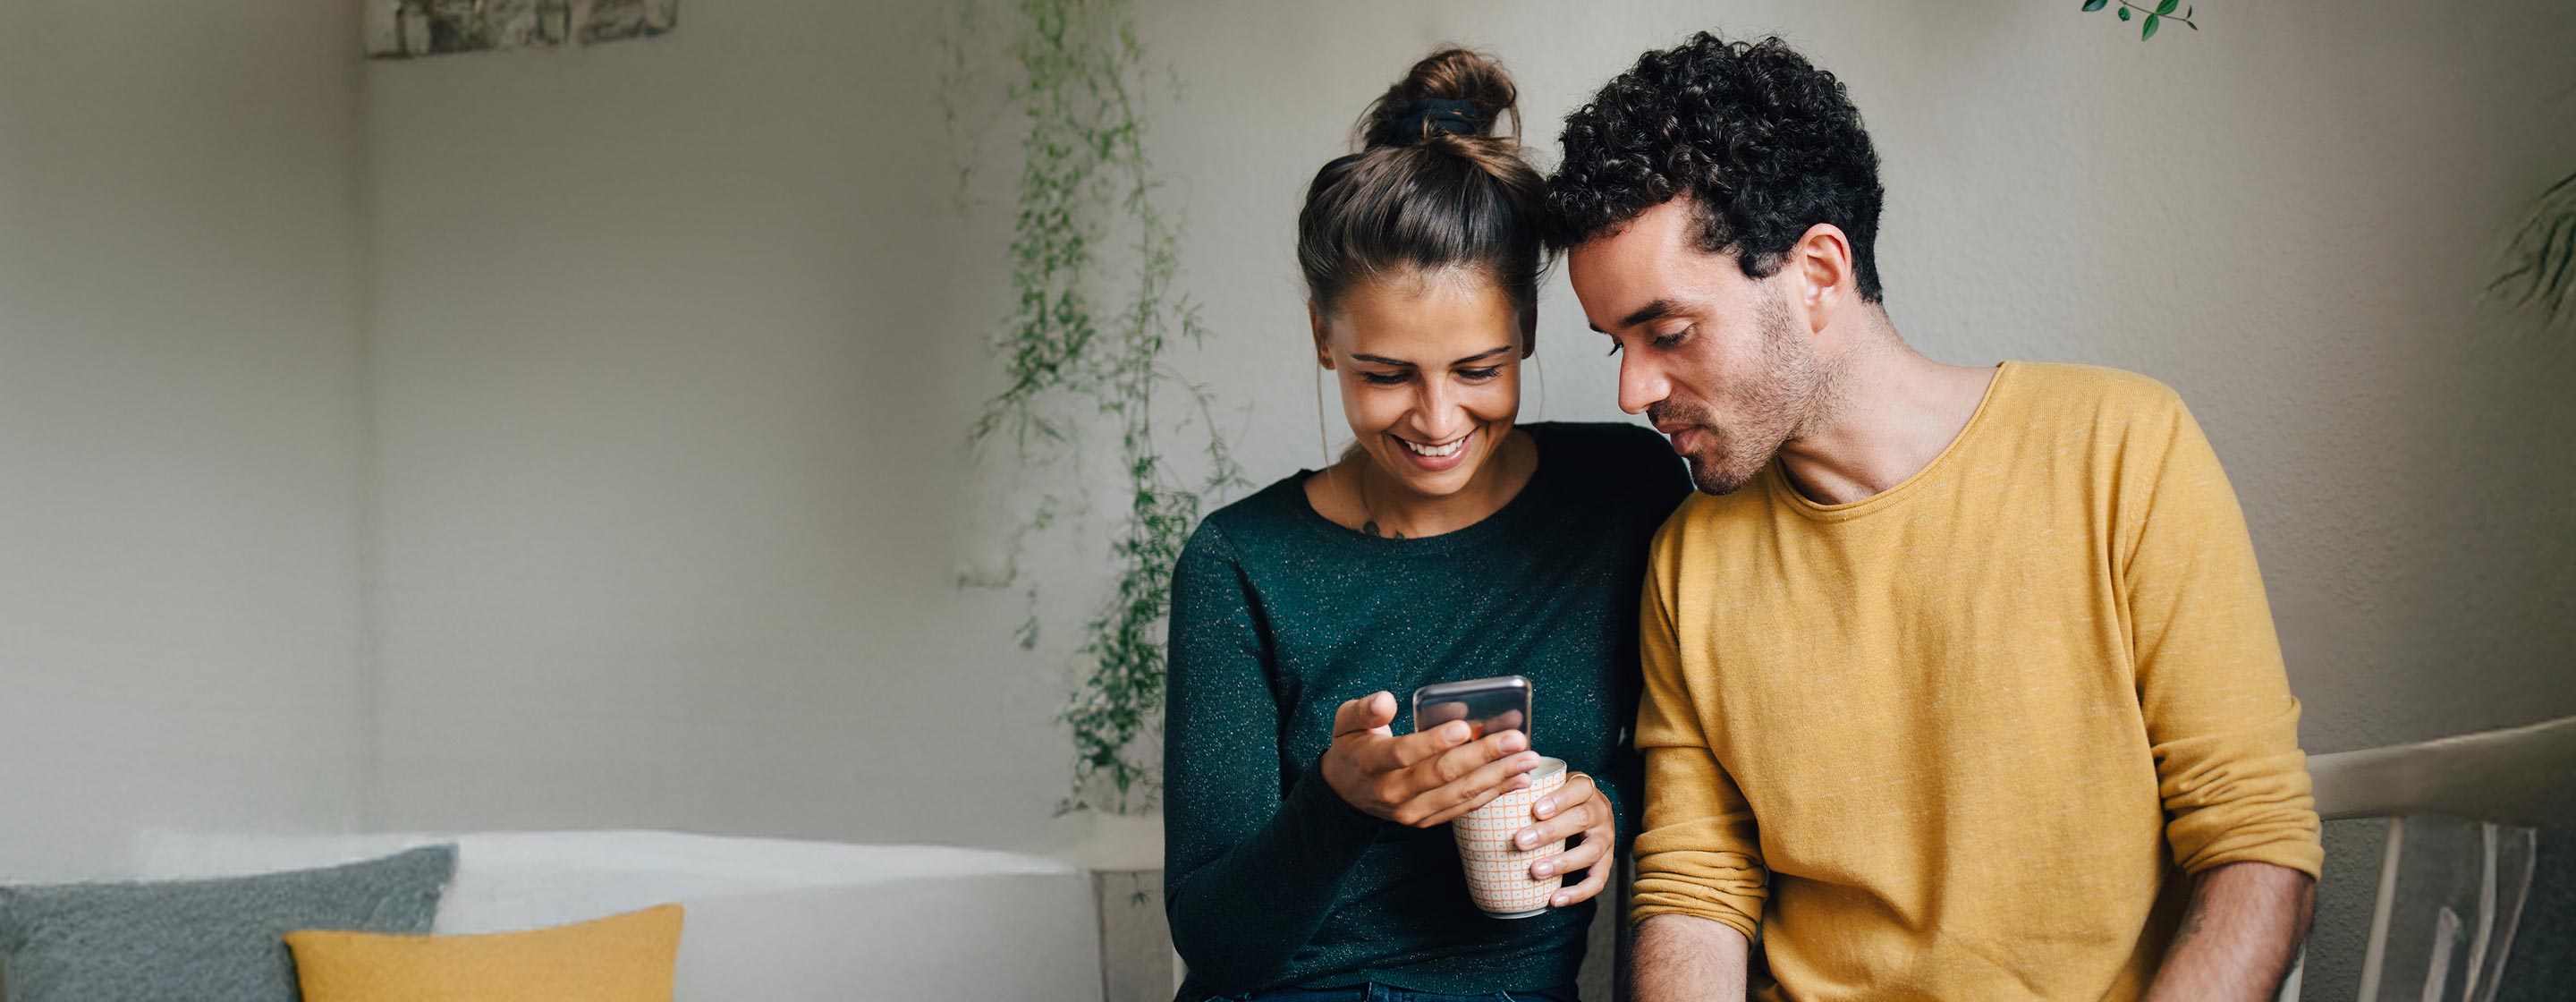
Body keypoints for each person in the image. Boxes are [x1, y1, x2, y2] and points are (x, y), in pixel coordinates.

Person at [1544, 32, 2323, 1002]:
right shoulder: (1689, 562)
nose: (1633, 391)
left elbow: (2256, 842)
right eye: (1615, 345)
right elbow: (1698, 886)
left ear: (1817, 272)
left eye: (1667, 332)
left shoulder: (2121, 447)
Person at [1161, 47, 1691, 1002]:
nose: (1438, 421)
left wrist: (1608, 805)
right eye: (1387, 375)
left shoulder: (1623, 495)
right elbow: (1216, 940)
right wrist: (1340, 801)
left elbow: (1693, 752)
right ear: (1324, 339)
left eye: (1479, 370)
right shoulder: (1238, 563)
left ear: (1528, 331)